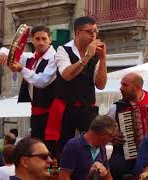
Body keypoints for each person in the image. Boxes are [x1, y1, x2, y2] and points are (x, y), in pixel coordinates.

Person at [45, 16, 107, 153]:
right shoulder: (63, 50)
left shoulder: (95, 54)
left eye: (95, 31)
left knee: (93, 144)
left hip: (87, 107)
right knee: (63, 146)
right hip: (66, 108)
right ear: (77, 33)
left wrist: (103, 58)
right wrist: (87, 57)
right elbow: (67, 75)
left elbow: (101, 85)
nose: (93, 35)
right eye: (89, 31)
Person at [0, 25, 57, 142]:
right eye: (37, 39)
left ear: (50, 39)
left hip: (51, 113)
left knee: (49, 146)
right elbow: (7, 51)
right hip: (36, 113)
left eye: (44, 39)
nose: (41, 42)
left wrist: (21, 69)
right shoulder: (30, 58)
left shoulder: (54, 58)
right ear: (32, 40)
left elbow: (42, 81)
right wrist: (3, 53)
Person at [106, 72, 148, 179]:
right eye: (121, 84)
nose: (120, 88)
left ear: (137, 87)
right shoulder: (117, 107)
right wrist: (111, 136)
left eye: (125, 85)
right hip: (124, 155)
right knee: (113, 167)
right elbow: (102, 129)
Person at [59, 115, 116, 180]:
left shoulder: (102, 147)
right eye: (110, 136)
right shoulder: (73, 145)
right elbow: (64, 177)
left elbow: (107, 175)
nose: (111, 139)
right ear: (103, 133)